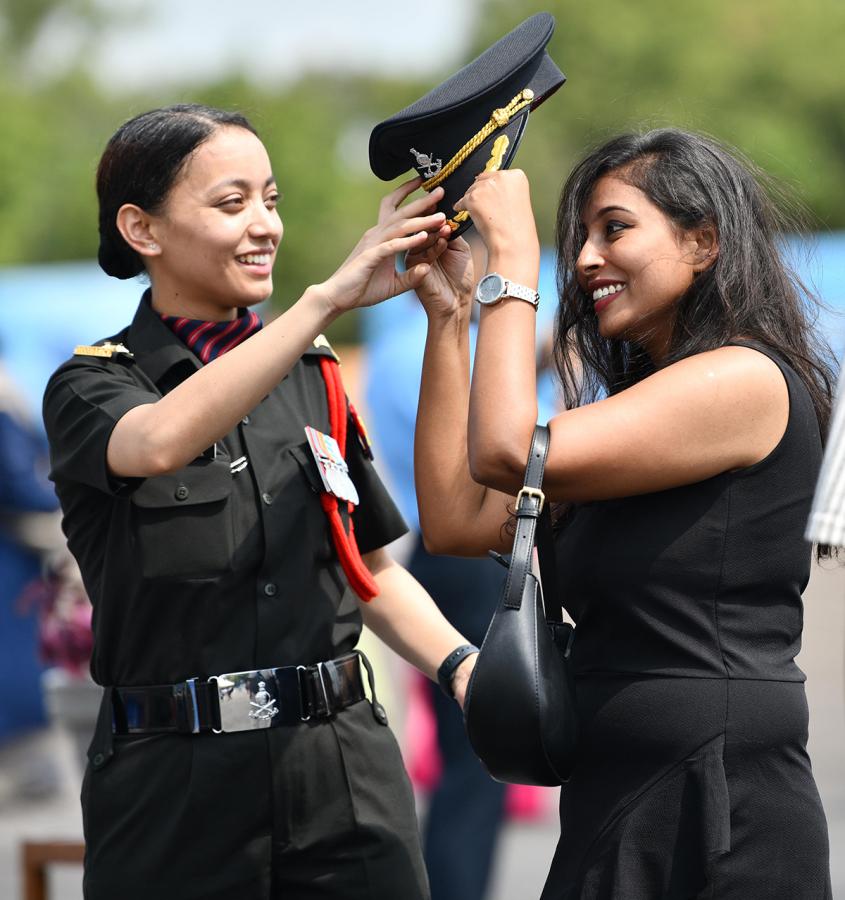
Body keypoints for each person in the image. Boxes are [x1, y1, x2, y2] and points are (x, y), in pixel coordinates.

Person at [41, 103, 481, 900]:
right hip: (173, 794)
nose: (264, 226)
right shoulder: (92, 385)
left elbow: (368, 568)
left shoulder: (312, 378)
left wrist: (463, 666)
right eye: (231, 203)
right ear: (142, 229)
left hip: (344, 775)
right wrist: (324, 301)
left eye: (271, 201)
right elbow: (157, 444)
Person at [411, 128, 834, 898]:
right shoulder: (641, 413)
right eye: (576, 239)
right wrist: (450, 320)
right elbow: (454, 521)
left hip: (718, 804)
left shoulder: (743, 379)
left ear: (702, 241)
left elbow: (508, 451)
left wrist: (512, 259)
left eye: (614, 228)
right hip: (615, 795)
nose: (582, 260)